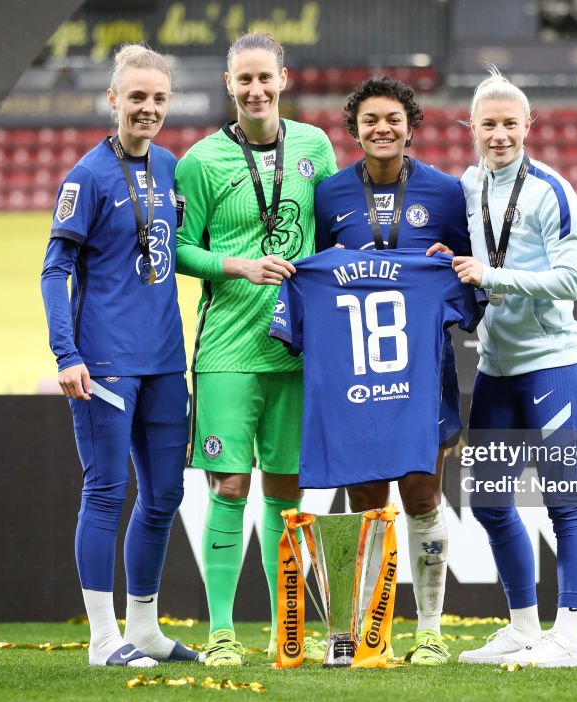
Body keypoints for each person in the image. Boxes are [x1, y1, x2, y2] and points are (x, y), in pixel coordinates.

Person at [174, 32, 338, 666]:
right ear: (228, 85)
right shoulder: (201, 161)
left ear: (284, 78)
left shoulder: (315, 147)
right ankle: (220, 631)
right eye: (244, 80)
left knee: (286, 492)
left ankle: (283, 631)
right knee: (228, 487)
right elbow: (179, 249)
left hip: (296, 351)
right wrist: (239, 266)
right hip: (226, 351)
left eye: (264, 78)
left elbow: (332, 231)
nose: (255, 90)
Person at [40, 43, 199, 668]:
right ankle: (103, 638)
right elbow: (55, 270)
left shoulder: (169, 166)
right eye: (137, 96)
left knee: (163, 497)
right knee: (107, 492)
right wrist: (65, 352)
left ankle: (146, 629)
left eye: (159, 98)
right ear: (113, 100)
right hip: (103, 362)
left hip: (164, 360)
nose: (149, 108)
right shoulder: (85, 175)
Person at [313, 76, 470, 666]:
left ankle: (429, 629)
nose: (382, 128)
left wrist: (449, 268)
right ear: (353, 129)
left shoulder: (446, 193)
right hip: (355, 371)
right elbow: (310, 273)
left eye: (393, 119)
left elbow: (465, 275)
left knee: (423, 493)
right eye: (371, 119)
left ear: (411, 126)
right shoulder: (328, 195)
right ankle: (357, 633)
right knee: (367, 498)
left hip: (423, 371)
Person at [451, 67, 577, 668]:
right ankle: (523, 628)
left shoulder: (554, 192)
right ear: (473, 128)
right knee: (488, 501)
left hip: (552, 363)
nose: (500, 134)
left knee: (565, 503)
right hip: (496, 368)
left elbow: (571, 279)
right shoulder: (467, 183)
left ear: (528, 126)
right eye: (490, 124)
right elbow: (470, 258)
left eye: (511, 123)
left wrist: (492, 276)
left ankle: (571, 638)